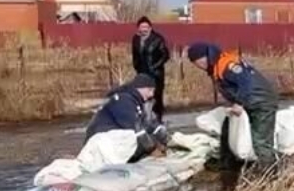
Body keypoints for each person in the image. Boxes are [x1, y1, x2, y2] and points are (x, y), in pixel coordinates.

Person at [186, 42, 280, 173]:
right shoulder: (217, 67)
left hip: (261, 102)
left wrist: (239, 103)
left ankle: (269, 171)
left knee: (260, 140)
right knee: (227, 128)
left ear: (205, 57)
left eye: (198, 62)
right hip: (250, 102)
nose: (199, 66)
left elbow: (245, 80)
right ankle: (227, 163)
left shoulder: (226, 65)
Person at [85, 73, 169, 163]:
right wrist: (152, 149)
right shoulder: (124, 101)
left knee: (145, 137)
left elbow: (148, 124)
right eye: (150, 91)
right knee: (135, 138)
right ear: (143, 88)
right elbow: (136, 130)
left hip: (110, 139)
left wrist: (163, 137)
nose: (152, 95)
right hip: (102, 143)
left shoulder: (135, 101)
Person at [131, 17, 170, 121]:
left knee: (156, 97)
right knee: (142, 96)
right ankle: (144, 119)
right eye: (141, 26)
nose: (144, 29)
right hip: (142, 73)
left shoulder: (157, 39)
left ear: (150, 27)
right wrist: (136, 66)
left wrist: (155, 66)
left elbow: (165, 55)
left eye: (146, 26)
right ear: (138, 28)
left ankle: (158, 119)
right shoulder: (136, 39)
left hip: (155, 73)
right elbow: (135, 54)